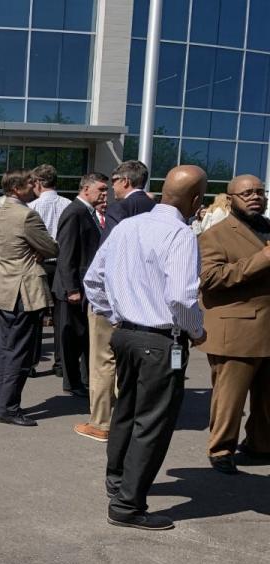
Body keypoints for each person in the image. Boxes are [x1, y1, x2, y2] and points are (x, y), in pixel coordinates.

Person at [84, 165, 208, 531]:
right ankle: (127, 504)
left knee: (127, 409)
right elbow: (181, 297)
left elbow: (94, 280)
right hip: (159, 337)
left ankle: (117, 479)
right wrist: (197, 331)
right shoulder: (180, 234)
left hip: (124, 333)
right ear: (197, 200)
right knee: (153, 420)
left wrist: (115, 312)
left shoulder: (126, 226)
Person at [75, 160, 155, 443]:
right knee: (127, 362)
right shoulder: (154, 210)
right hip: (143, 299)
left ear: (125, 181)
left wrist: (97, 296)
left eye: (113, 181)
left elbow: (106, 257)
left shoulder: (119, 210)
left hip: (113, 296)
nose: (111, 188)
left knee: (103, 359)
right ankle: (127, 416)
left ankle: (101, 422)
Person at [197, 174, 270, 474]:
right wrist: (262, 259)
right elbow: (210, 279)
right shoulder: (215, 236)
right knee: (230, 398)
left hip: (267, 328)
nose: (255, 196)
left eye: (260, 192)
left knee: (267, 397)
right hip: (237, 330)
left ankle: (260, 445)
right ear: (231, 200)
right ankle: (221, 450)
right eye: (247, 193)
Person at [0, 169, 59, 426]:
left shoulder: (3, 213)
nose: (35, 186)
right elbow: (51, 247)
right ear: (16, 189)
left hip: (6, 288)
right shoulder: (26, 215)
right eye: (30, 183)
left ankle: (4, 404)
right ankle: (9, 408)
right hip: (24, 290)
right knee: (19, 353)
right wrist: (39, 251)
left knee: (6, 352)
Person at [53, 173, 108, 398]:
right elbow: (66, 254)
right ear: (86, 189)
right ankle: (72, 381)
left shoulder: (88, 212)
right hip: (72, 288)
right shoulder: (74, 212)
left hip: (84, 287)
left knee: (82, 335)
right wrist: (72, 289)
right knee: (70, 337)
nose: (105, 194)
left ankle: (82, 379)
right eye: (101, 190)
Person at [29, 164, 72, 377]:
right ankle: (62, 364)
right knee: (61, 318)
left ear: (38, 183)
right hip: (63, 265)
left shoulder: (33, 207)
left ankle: (30, 364)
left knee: (35, 315)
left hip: (40, 263)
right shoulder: (69, 205)